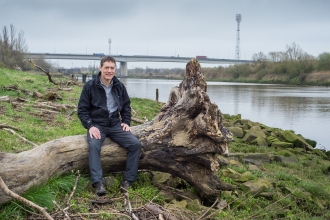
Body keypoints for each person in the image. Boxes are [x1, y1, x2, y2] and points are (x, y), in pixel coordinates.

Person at [78, 56, 141, 196]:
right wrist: (90, 126)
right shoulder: (90, 86)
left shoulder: (119, 86)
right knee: (94, 145)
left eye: (112, 68)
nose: (109, 70)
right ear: (100, 68)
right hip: (97, 125)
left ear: (115, 70)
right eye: (106, 67)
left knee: (135, 143)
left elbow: (126, 106)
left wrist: (126, 122)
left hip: (115, 124)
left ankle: (128, 181)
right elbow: (82, 110)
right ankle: (98, 183)